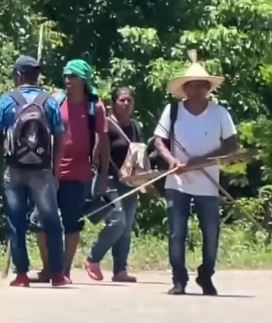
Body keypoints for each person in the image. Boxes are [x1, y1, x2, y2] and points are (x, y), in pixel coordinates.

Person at [154, 51, 239, 295]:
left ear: (207, 88)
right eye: (192, 85)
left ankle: (206, 274)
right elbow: (159, 140)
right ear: (185, 88)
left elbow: (232, 144)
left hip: (208, 182)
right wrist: (171, 160)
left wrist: (203, 160)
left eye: (202, 85)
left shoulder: (219, 113)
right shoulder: (172, 111)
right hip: (177, 181)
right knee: (176, 232)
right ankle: (179, 279)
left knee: (211, 233)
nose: (197, 89)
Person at [30, 59, 110, 282]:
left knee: (72, 222)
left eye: (72, 76)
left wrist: (102, 175)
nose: (68, 81)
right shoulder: (56, 102)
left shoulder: (96, 107)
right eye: (65, 76)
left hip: (78, 174)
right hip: (51, 172)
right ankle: (49, 269)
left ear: (83, 80)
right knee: (38, 220)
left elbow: (103, 142)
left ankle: (63, 271)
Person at [0, 55, 69, 287]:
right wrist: (55, 170)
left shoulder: (6, 101)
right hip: (42, 170)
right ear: (36, 76)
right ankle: (58, 274)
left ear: (18, 75)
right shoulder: (49, 102)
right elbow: (60, 137)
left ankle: (21, 275)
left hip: (15, 168)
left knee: (15, 220)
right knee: (51, 221)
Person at [85, 87, 141, 282]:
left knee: (126, 229)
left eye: (129, 100)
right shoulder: (106, 125)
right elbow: (98, 152)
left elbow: (138, 155)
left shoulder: (134, 127)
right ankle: (93, 257)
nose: (126, 104)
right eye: (122, 100)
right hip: (109, 181)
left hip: (130, 182)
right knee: (118, 221)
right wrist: (100, 178)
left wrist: (142, 179)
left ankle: (120, 270)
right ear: (113, 104)